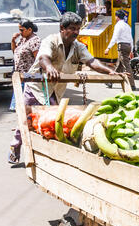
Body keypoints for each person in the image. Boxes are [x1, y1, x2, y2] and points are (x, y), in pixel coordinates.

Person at [8, 12, 126, 164]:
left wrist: (109, 71)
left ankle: (48, 156)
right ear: (62, 28)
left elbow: (91, 61)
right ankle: (15, 147)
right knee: (27, 121)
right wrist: (50, 68)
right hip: (36, 88)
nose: (76, 32)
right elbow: (44, 58)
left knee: (50, 124)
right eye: (72, 28)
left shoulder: (78, 47)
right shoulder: (50, 41)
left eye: (78, 28)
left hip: (56, 90)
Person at [9, 20, 41, 112]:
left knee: (25, 102)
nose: (20, 32)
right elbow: (15, 51)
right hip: (19, 74)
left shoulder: (35, 41)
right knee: (18, 99)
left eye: (22, 30)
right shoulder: (23, 39)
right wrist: (13, 40)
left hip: (28, 75)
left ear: (29, 29)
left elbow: (38, 59)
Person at [104, 9, 136, 90]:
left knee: (126, 66)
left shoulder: (118, 25)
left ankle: (132, 85)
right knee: (119, 65)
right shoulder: (127, 26)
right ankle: (110, 82)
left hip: (122, 46)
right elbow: (131, 38)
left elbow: (115, 37)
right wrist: (131, 50)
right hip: (128, 46)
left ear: (117, 17)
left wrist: (108, 48)